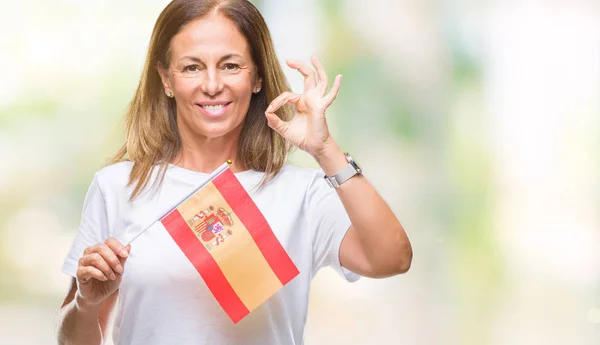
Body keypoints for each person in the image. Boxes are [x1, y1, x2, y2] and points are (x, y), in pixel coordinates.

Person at [56, 0, 412, 344]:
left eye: (230, 66)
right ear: (166, 79)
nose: (212, 85)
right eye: (192, 67)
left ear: (256, 76)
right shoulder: (118, 186)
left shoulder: (300, 192)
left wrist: (325, 149)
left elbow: (392, 259)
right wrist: (86, 303)